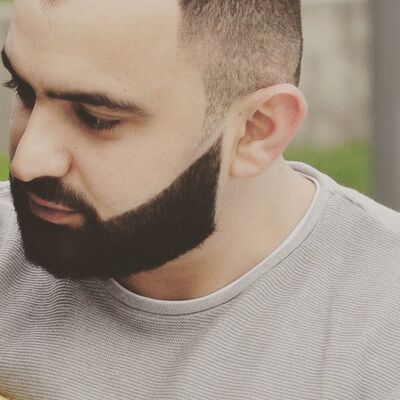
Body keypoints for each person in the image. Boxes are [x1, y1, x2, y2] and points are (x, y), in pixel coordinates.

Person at [0, 1, 399, 399]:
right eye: (23, 91)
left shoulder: (382, 333)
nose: (26, 162)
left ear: (256, 130)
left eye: (97, 118)